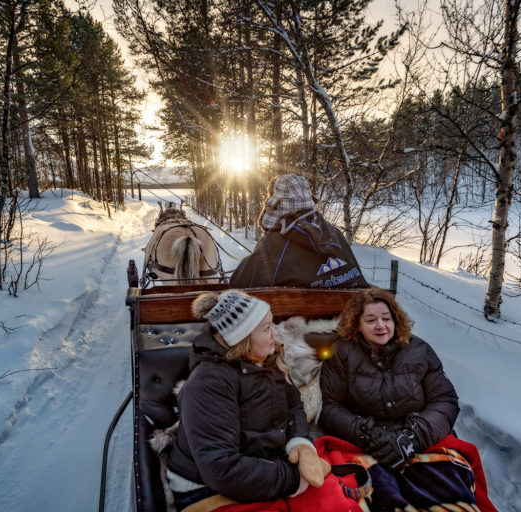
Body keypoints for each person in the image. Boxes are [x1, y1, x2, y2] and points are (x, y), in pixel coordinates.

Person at [166, 290, 331, 509]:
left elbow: (293, 405)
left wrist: (300, 442)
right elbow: (222, 470)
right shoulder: (209, 384)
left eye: (272, 325)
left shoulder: (267, 359)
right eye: (266, 329)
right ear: (242, 339)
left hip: (260, 467)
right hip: (204, 487)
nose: (275, 334)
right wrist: (294, 478)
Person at [319, 287, 459, 472]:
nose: (381, 325)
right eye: (370, 320)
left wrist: (411, 437)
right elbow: (330, 407)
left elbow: (445, 400)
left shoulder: (420, 351)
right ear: (357, 324)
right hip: (367, 444)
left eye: (386, 318)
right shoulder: (341, 353)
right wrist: (367, 434)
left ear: (395, 319)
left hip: (419, 441)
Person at [229, 173, 368, 289]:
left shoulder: (273, 244)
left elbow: (237, 284)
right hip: (348, 316)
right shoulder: (334, 233)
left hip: (298, 320)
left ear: (276, 205)